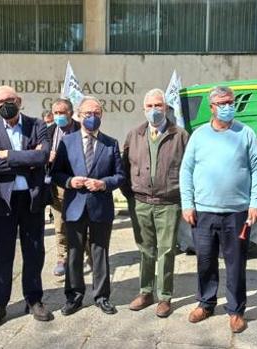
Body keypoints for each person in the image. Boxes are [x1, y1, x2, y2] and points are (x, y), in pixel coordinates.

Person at [179, 86, 257, 333]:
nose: (228, 106)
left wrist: (256, 202)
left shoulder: (245, 133)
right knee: (205, 260)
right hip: (203, 212)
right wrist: (187, 203)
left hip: (237, 212)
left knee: (236, 263)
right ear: (212, 107)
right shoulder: (199, 135)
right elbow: (186, 171)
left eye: (231, 101)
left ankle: (236, 311)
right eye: (222, 103)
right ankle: (206, 303)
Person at [0, 85, 53, 327]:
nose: (5, 105)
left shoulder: (37, 125)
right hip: (4, 202)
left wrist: (8, 155)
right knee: (1, 255)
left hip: (32, 200)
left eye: (9, 100)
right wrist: (26, 157)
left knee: (34, 252)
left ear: (19, 100)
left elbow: (42, 157)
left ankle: (34, 299)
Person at [51, 96, 125, 316]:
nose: (92, 118)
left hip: (100, 206)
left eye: (97, 113)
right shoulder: (67, 141)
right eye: (87, 114)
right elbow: (56, 173)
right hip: (74, 205)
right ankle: (73, 297)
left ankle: (102, 296)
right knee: (73, 253)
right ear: (79, 116)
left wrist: (104, 184)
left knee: (100, 251)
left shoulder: (111, 143)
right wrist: (69, 181)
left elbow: (120, 176)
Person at [122, 88, 189, 318]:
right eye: (149, 106)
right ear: (143, 109)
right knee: (145, 250)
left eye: (158, 106)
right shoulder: (134, 135)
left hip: (168, 203)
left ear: (166, 108)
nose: (153, 111)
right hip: (140, 203)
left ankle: (165, 297)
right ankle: (146, 291)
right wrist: (131, 196)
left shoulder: (180, 135)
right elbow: (124, 167)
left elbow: (188, 170)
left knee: (167, 251)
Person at [47, 98, 81, 276]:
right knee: (60, 223)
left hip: (77, 184)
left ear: (70, 112)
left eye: (62, 112)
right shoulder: (49, 131)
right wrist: (47, 156)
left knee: (80, 223)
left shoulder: (81, 129)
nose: (59, 116)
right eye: (56, 113)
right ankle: (62, 257)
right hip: (56, 184)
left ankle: (84, 255)